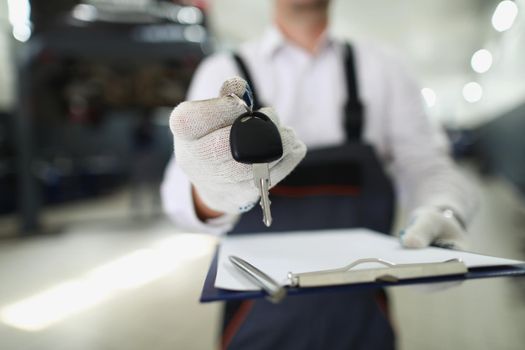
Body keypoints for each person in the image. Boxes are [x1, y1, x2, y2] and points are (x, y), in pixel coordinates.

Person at [161, 0, 478, 348]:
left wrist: (442, 210)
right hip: (255, 317)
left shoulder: (385, 68)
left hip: (364, 317)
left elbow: (428, 165)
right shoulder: (220, 71)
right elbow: (178, 195)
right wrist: (213, 194)